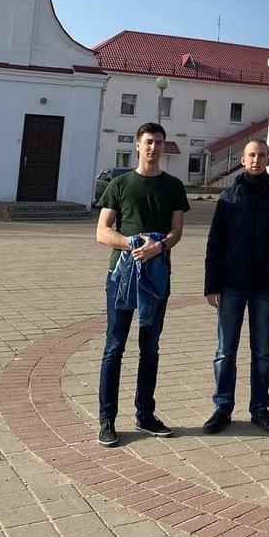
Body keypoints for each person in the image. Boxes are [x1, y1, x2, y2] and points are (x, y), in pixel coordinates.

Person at [95, 122, 190, 447]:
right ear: (137, 145)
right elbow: (102, 231)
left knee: (149, 348)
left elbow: (176, 232)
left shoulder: (174, 186)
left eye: (159, 143)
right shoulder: (119, 185)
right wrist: (132, 244)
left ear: (164, 147)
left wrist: (159, 247)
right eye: (148, 142)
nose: (153, 148)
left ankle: (145, 414)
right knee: (114, 347)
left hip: (157, 276)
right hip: (121, 276)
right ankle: (107, 419)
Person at [202, 139, 269, 434]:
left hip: (264, 287)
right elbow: (215, 243)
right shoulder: (228, 197)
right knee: (225, 350)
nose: (256, 160)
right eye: (252, 155)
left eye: (262, 155)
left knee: (261, 351)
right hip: (231, 286)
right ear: (242, 160)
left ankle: (260, 407)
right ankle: (222, 407)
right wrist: (211, 283)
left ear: (268, 159)